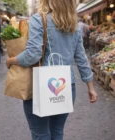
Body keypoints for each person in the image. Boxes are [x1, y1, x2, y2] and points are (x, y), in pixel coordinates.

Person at [6, 0, 98, 139]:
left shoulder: (39, 19)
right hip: (66, 87)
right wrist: (90, 87)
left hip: (41, 87)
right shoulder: (74, 27)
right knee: (57, 131)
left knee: (40, 133)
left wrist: (11, 60)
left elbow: (33, 54)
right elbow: (81, 58)